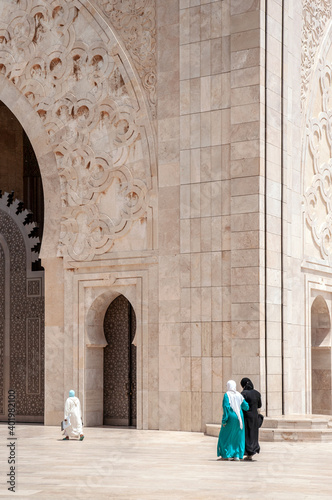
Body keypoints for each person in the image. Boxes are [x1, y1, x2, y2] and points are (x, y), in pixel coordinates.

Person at [217, 380, 249, 461]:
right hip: (239, 418)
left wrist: (224, 420)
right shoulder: (239, 395)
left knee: (225, 436)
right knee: (238, 436)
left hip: (231, 417)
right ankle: (237, 455)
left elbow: (226, 408)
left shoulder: (227, 395)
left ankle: (226, 455)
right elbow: (246, 406)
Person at [240, 377, 262, 460]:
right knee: (253, 434)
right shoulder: (257, 393)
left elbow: (241, 405)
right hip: (255, 416)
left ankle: (248, 452)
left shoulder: (243, 393)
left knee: (247, 434)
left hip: (246, 417)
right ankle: (252, 451)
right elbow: (259, 405)